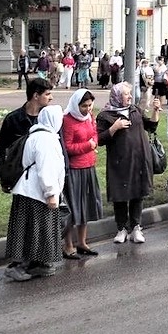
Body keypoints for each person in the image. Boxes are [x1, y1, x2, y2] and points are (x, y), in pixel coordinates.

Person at [3, 104, 67, 281]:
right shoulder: (46, 140)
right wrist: (51, 193)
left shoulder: (36, 136)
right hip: (35, 193)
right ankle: (18, 266)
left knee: (33, 229)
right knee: (33, 230)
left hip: (29, 192)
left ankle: (39, 263)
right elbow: (46, 169)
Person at [98, 82, 157, 244]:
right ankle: (121, 228)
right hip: (119, 161)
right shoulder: (105, 115)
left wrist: (156, 111)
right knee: (120, 194)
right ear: (117, 96)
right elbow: (99, 139)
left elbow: (150, 126)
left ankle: (136, 227)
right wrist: (114, 128)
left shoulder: (134, 110)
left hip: (138, 158)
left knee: (138, 192)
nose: (130, 96)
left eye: (130, 94)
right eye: (126, 94)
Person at [59, 90, 102, 260]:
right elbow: (67, 147)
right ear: (76, 105)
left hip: (89, 166)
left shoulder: (90, 117)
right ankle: (68, 245)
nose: (87, 109)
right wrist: (88, 145)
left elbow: (95, 133)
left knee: (85, 206)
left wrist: (93, 143)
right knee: (73, 208)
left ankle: (82, 242)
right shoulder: (68, 120)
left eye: (90, 105)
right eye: (84, 106)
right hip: (75, 170)